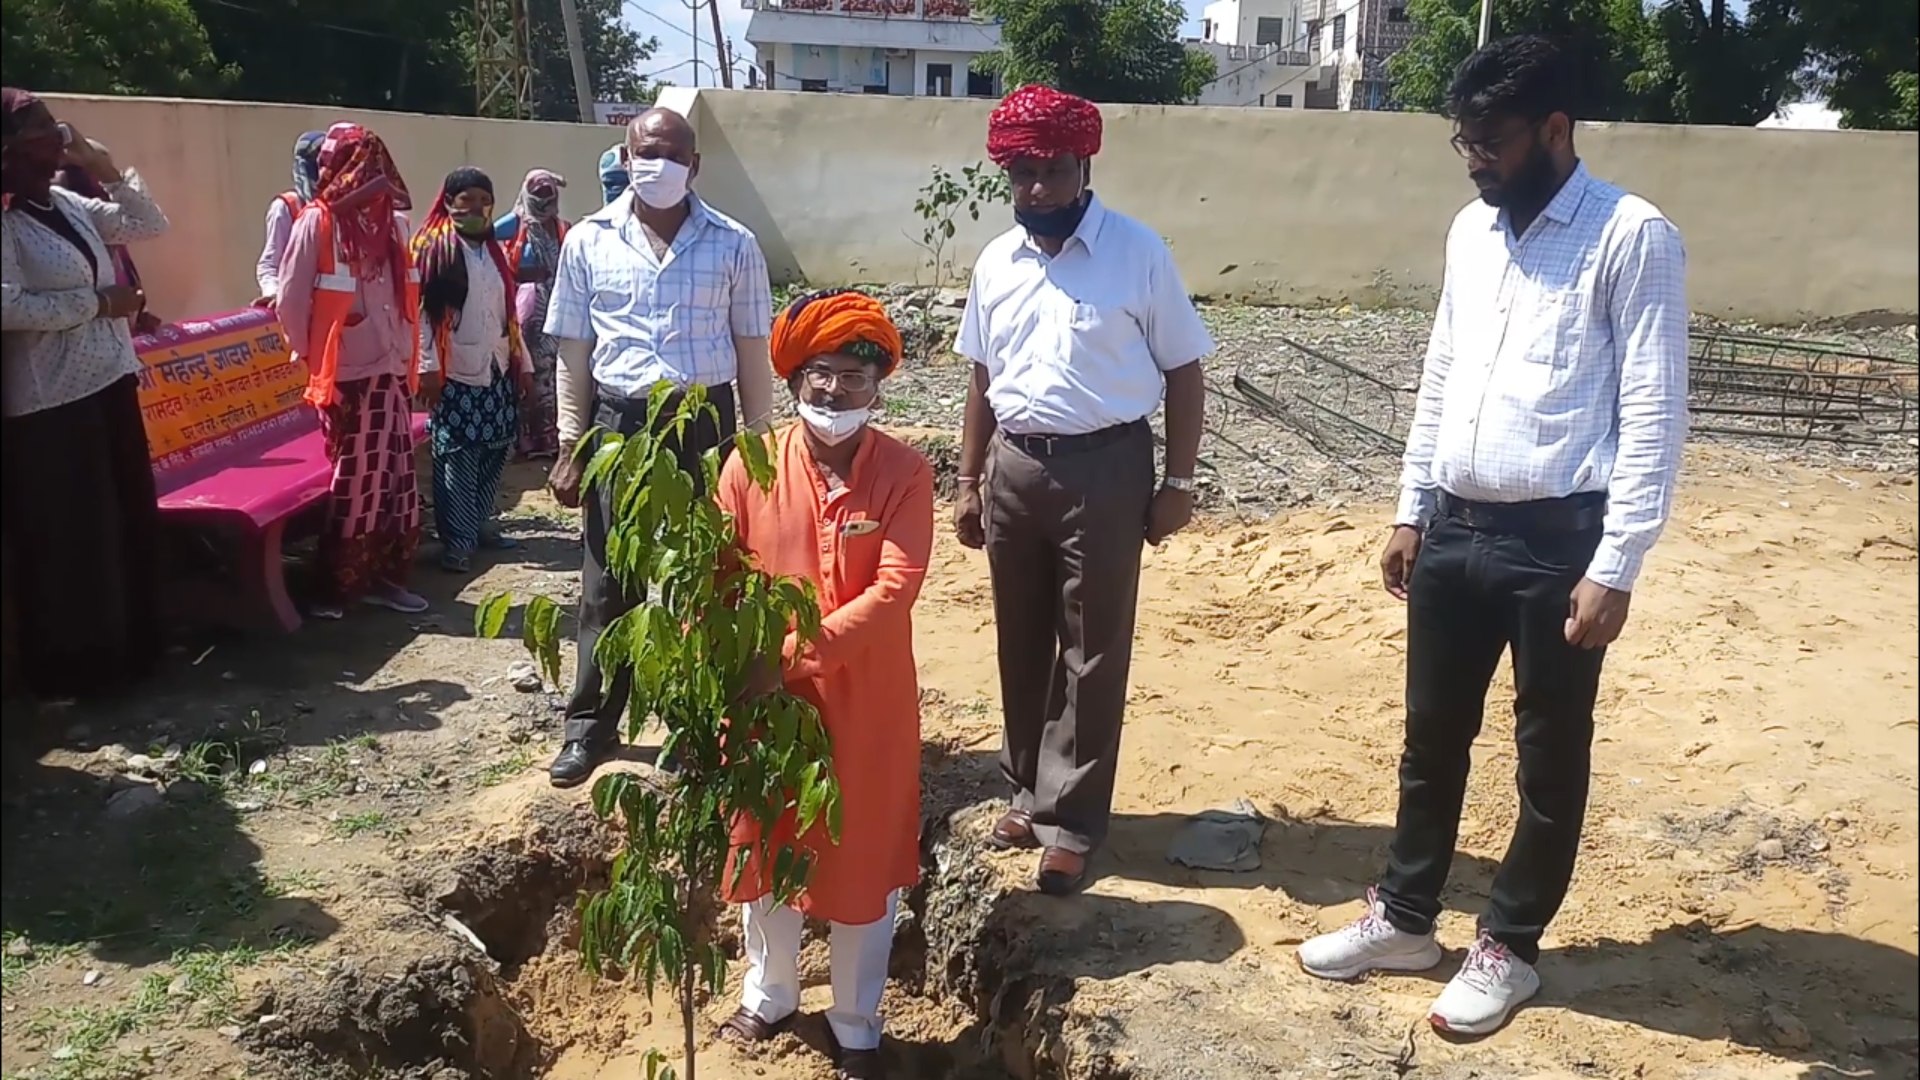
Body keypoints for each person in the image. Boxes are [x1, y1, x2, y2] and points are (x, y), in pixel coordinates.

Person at [1295, 35, 1689, 1038]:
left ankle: (1510, 945)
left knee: (1547, 759)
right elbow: (1442, 371)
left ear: (1556, 131)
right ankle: (1406, 917)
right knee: (1432, 740)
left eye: (1493, 140)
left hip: (1561, 545)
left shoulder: (1631, 237)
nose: (1475, 158)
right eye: (1462, 139)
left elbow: (1653, 410)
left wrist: (1618, 564)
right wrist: (1409, 505)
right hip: (1456, 529)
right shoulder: (1472, 231)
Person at [953, 84, 1213, 896]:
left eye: (1052, 172)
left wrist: (1177, 480)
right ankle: (1029, 791)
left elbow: (1184, 369)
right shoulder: (998, 260)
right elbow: (981, 374)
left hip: (1106, 468)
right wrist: (968, 478)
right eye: (1021, 174)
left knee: (1091, 648)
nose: (1036, 190)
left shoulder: (1138, 254)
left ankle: (1073, 822)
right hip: (1015, 469)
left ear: (1083, 166)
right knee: (1020, 637)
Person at [715, 289, 932, 1080]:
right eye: (818, 375)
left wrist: (797, 651)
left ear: (879, 386)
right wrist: (738, 664)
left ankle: (856, 1020)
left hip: (867, 704)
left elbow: (894, 589)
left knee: (862, 860)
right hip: (765, 699)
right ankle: (769, 993)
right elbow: (721, 574)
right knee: (765, 847)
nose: (833, 392)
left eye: (852, 376)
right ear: (793, 379)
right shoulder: (752, 464)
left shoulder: (905, 474)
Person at [543, 106, 776, 787]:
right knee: (606, 582)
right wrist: (569, 443)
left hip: (705, 426)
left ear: (695, 166)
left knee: (700, 577)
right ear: (624, 156)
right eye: (646, 152)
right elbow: (574, 352)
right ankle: (590, 727)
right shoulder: (588, 241)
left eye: (673, 155)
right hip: (618, 426)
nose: (658, 166)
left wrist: (760, 451)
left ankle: (693, 724)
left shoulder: (734, 244)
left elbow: (751, 352)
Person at [1, 87, 169, 699]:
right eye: (45, 127)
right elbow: (6, 303)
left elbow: (149, 224)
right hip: (52, 402)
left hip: (108, 378)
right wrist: (96, 305)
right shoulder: (7, 219)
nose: (59, 134)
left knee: (123, 519)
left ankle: (134, 651)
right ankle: (78, 671)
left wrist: (102, 166)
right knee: (75, 536)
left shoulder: (66, 203)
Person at [275, 122, 431, 619]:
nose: (370, 179)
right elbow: (290, 303)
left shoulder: (395, 226)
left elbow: (407, 298)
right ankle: (337, 587)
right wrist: (316, 363)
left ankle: (386, 578)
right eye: (358, 167)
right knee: (355, 484)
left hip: (390, 372)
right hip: (346, 381)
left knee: (397, 481)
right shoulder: (316, 224)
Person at [415, 167, 535, 574]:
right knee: (457, 459)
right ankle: (457, 541)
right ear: (448, 204)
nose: (477, 210)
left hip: (496, 367)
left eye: (484, 202)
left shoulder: (492, 250)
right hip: (456, 373)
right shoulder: (434, 251)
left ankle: (480, 523)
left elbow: (508, 313)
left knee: (495, 450)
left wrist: (524, 362)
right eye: (467, 203)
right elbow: (422, 317)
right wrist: (428, 367)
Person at [494, 168, 569, 458]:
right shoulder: (515, 224)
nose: (542, 201)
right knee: (524, 371)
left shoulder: (564, 229)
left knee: (549, 373)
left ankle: (547, 438)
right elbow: (482, 236)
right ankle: (522, 439)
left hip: (555, 304)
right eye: (536, 195)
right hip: (524, 309)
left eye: (547, 194)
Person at [54, 142, 160, 334]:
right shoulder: (61, 241)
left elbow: (151, 222)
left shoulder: (115, 240)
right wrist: (104, 304)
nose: (105, 193)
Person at [254, 131, 325, 306]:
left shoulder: (342, 207)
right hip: (299, 312)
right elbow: (269, 265)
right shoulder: (286, 207)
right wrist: (275, 293)